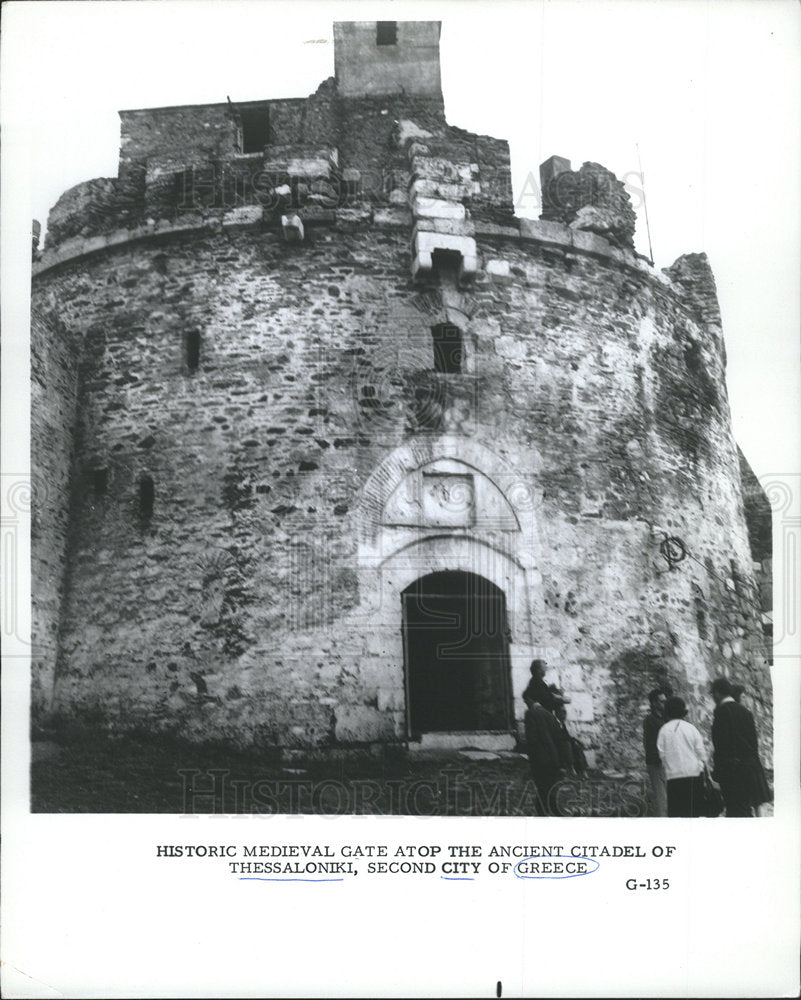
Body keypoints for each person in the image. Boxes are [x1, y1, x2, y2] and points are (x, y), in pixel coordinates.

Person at [710, 677, 770, 817]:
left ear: (717, 693)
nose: (713, 697)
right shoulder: (746, 712)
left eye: (712, 693)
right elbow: (754, 743)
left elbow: (720, 745)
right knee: (745, 809)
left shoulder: (721, 713)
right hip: (748, 768)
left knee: (735, 810)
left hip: (731, 771)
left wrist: (718, 772)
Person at [656, 696, 707, 817]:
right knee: (694, 814)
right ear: (683, 713)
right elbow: (701, 753)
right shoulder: (691, 728)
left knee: (678, 816)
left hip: (674, 778)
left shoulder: (663, 731)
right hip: (694, 776)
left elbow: (662, 755)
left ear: (667, 713)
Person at [524, 692, 572, 815]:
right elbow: (559, 740)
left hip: (540, 759)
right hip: (552, 759)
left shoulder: (531, 714)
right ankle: (552, 811)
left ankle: (545, 813)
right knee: (549, 787)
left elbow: (532, 740)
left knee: (543, 788)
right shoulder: (550, 716)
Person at [643, 688, 668, 817]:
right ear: (654, 703)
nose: (665, 703)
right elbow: (650, 744)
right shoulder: (650, 720)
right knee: (660, 799)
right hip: (656, 763)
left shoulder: (664, 719)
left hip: (665, 763)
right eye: (662, 701)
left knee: (666, 798)